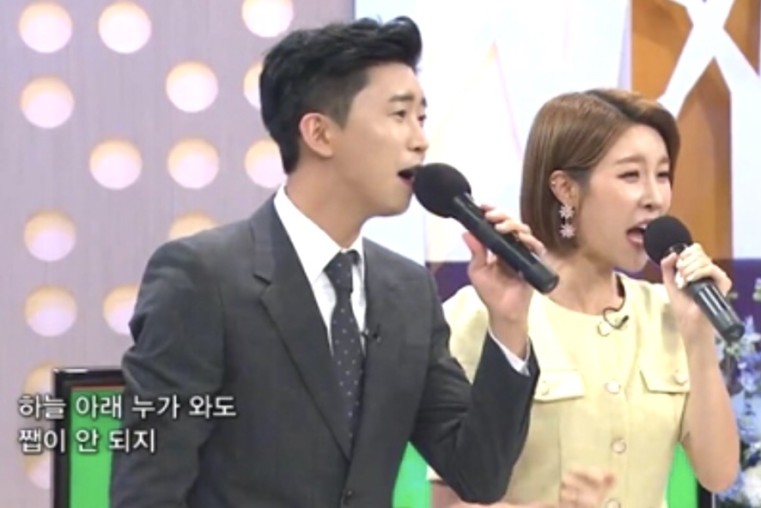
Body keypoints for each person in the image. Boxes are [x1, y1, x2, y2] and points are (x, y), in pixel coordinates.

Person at [110, 16, 543, 508]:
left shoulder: (408, 292)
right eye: (399, 115)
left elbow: (478, 474)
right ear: (319, 133)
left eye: (421, 118)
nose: (420, 140)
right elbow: (147, 489)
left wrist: (508, 321)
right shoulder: (203, 278)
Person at [430, 89, 740, 508]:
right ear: (566, 189)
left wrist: (698, 335)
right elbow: (449, 501)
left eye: (663, 175)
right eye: (631, 176)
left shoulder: (667, 314)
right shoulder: (481, 316)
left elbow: (718, 473)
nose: (655, 197)